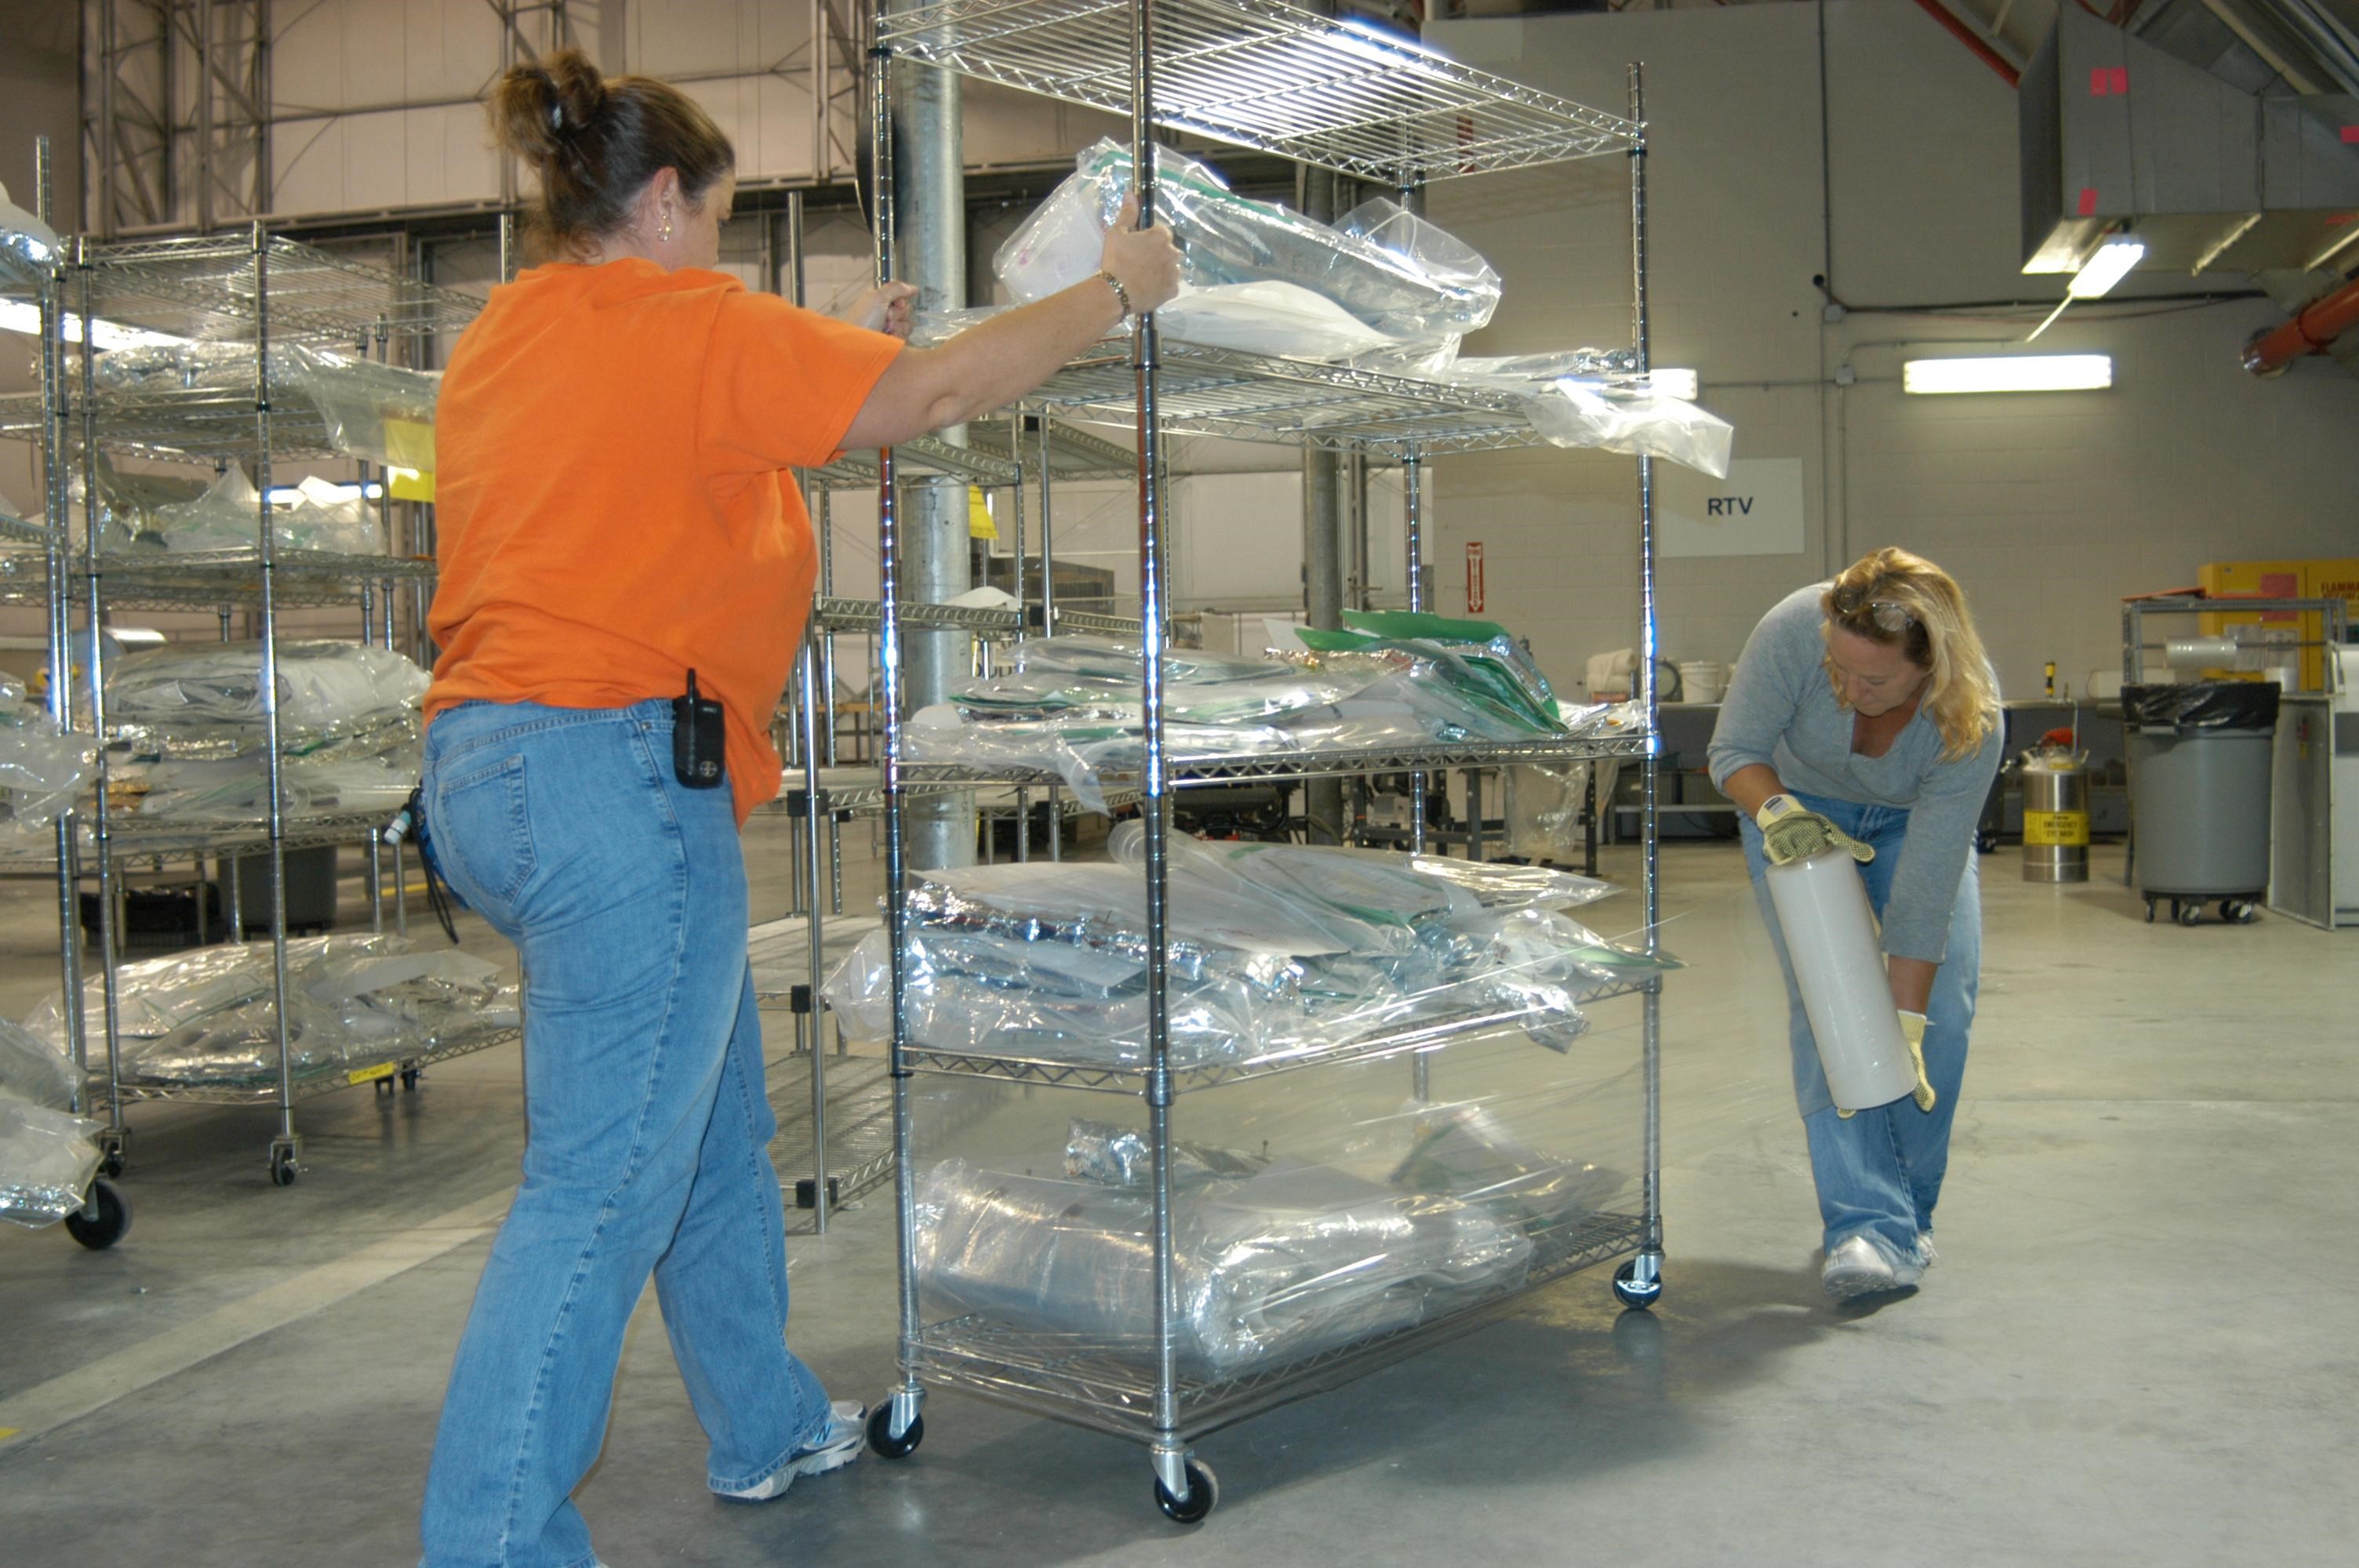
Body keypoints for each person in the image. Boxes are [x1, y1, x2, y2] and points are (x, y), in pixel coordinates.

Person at [413, 50, 1180, 1568]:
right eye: (713, 218)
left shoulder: (508, 330)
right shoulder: (686, 321)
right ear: (661, 198)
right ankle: (489, 1546)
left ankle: (761, 1421)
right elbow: (938, 395)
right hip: (617, 776)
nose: (716, 249)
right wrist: (1117, 289)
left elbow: (668, 460)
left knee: (706, 1128)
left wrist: (833, 351)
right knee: (597, 1185)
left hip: (488, 769)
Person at [1707, 547, 2001, 1301]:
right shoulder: (1791, 631)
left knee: (1938, 1014)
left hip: (1912, 821)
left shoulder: (1973, 719)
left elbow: (1925, 900)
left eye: (1874, 680)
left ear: (1930, 667)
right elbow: (1734, 750)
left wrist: (1906, 1021)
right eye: (1839, 668)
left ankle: (1910, 1220)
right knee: (1831, 1009)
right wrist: (1780, 814)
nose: (1849, 688)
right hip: (1791, 806)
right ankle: (1864, 1228)